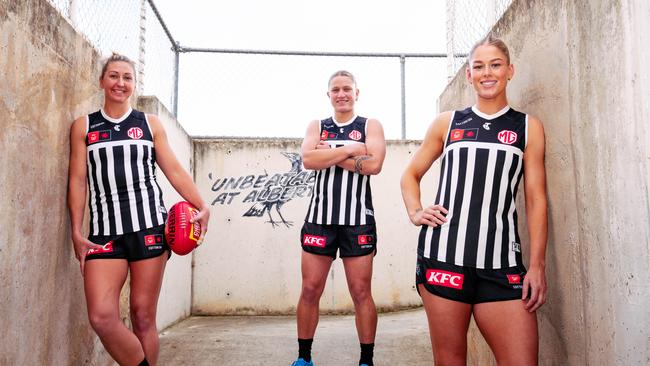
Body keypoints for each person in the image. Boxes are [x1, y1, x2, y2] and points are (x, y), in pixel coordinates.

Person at [401, 35, 548, 366]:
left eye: (495, 65)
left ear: (510, 70)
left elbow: (537, 199)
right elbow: (409, 175)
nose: (487, 73)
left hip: (501, 268)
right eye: (478, 66)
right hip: (443, 261)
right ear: (468, 75)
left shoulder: (528, 127)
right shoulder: (448, 123)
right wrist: (416, 211)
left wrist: (537, 265)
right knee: (450, 360)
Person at [67, 53, 210, 366]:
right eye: (114, 76)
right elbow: (78, 180)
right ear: (102, 81)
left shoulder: (149, 124)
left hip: (150, 231)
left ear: (133, 84)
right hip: (104, 235)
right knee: (102, 317)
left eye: (127, 78)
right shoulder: (84, 127)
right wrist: (76, 231)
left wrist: (201, 204)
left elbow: (172, 169)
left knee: (143, 317)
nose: (120, 83)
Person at [293, 70, 386, 366]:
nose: (342, 94)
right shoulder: (317, 125)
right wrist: (349, 150)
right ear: (329, 95)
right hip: (319, 220)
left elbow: (374, 166)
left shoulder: (370, 125)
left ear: (357, 93)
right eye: (336, 90)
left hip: (357, 221)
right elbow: (308, 160)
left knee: (360, 292)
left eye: (347, 89)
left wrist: (329, 154)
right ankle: (304, 358)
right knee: (310, 289)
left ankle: (366, 361)